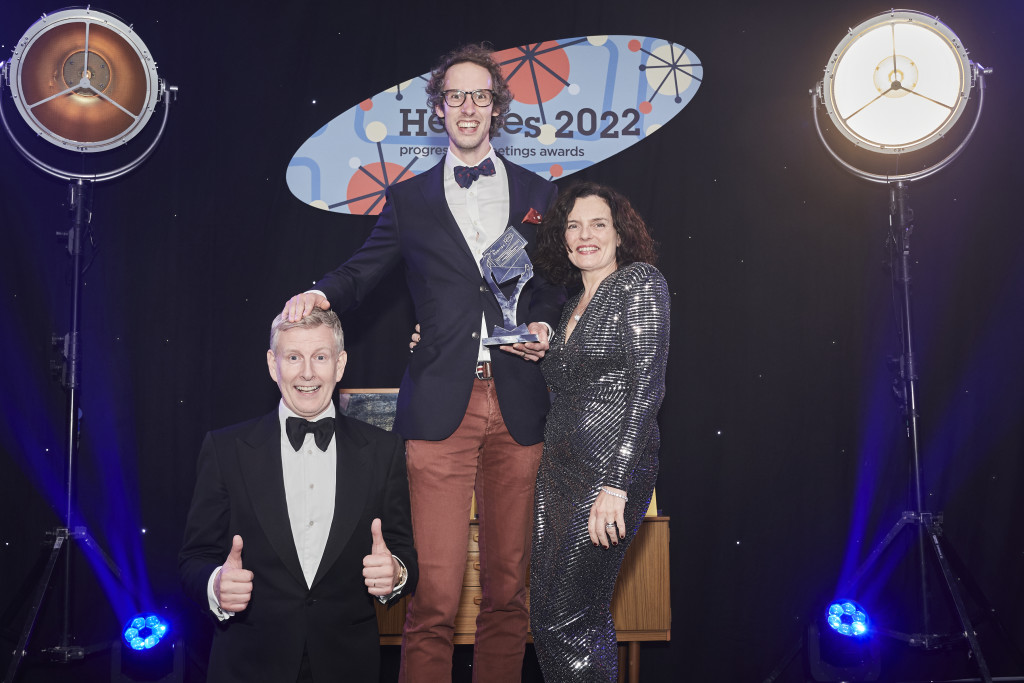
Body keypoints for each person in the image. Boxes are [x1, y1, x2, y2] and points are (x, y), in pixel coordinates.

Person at [282, 44, 565, 683]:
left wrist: (544, 321)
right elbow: (366, 267)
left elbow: (551, 283)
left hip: (520, 403)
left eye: (481, 97)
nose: (469, 108)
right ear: (439, 109)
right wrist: (324, 293)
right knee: (434, 595)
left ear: (497, 109)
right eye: (456, 97)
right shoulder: (408, 201)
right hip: (440, 406)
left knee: (508, 591)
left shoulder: (539, 192)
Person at [178, 308, 416, 683]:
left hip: (349, 667)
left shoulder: (384, 451)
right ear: (273, 365)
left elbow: (403, 551)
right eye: (293, 357)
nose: (307, 373)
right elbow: (194, 559)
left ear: (339, 365)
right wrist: (216, 584)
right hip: (247, 668)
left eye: (320, 357)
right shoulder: (226, 449)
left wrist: (397, 573)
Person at [529, 182, 670, 682]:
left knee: (558, 619)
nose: (584, 235)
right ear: (562, 238)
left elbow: (646, 388)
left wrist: (616, 483)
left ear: (619, 233)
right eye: (573, 225)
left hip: (607, 476)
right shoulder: (568, 308)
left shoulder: (639, 283)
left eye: (598, 224)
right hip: (558, 474)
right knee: (573, 616)